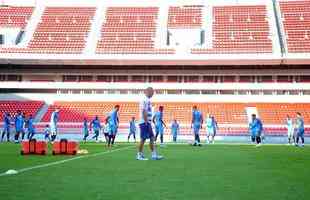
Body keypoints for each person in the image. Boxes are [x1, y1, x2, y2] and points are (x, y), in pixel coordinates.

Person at [136, 87, 163, 160]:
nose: (153, 93)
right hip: (144, 122)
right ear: (148, 91)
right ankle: (139, 155)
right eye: (152, 92)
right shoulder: (144, 100)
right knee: (143, 139)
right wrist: (146, 122)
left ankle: (154, 155)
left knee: (152, 138)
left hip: (148, 122)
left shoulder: (148, 100)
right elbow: (144, 111)